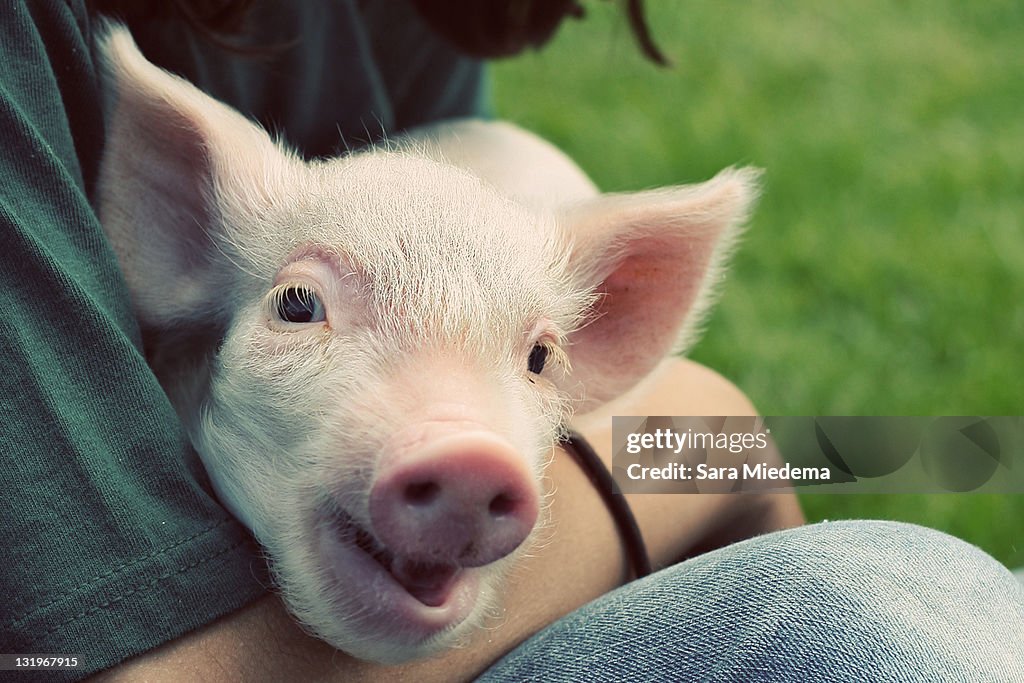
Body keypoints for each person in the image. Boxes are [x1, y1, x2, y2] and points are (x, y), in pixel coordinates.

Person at [1, 2, 1020, 680]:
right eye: (303, 307)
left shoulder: (416, 51)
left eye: (542, 358)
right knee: (873, 604)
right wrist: (700, 434)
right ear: (177, 217)